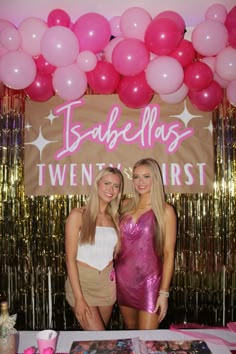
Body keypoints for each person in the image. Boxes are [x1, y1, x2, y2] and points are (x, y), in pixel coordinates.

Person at [115, 158, 177, 330]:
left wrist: (164, 293)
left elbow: (169, 254)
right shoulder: (124, 205)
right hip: (124, 280)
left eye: (146, 177)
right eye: (136, 177)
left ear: (155, 179)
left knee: (148, 339)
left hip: (150, 282)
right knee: (131, 330)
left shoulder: (165, 211)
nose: (140, 182)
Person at [65, 166, 124, 330]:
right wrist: (79, 298)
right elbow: (69, 260)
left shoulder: (115, 218)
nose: (111, 189)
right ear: (97, 184)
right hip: (82, 284)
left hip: (107, 286)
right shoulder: (78, 215)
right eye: (106, 183)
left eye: (116, 186)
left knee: (99, 341)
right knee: (98, 334)